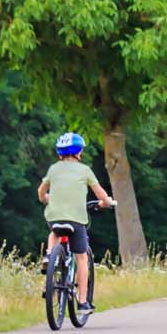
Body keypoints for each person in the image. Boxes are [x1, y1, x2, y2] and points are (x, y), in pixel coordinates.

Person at [37, 132, 116, 311]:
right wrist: (106, 203)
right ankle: (82, 302)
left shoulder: (53, 169)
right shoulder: (85, 170)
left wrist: (45, 199)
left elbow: (41, 191)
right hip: (76, 220)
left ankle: (49, 256)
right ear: (79, 152)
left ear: (59, 152)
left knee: (54, 232)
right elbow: (101, 195)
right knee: (81, 257)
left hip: (55, 217)